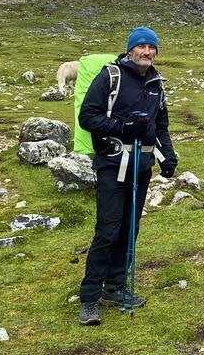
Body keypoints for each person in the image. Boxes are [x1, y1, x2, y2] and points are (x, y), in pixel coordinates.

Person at [76, 26, 177, 326]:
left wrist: (167, 156)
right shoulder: (111, 77)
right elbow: (87, 116)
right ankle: (89, 299)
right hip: (112, 165)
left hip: (141, 168)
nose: (147, 52)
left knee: (129, 230)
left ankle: (116, 287)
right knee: (107, 230)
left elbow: (160, 127)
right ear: (130, 49)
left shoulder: (157, 85)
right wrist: (123, 127)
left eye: (152, 47)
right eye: (141, 47)